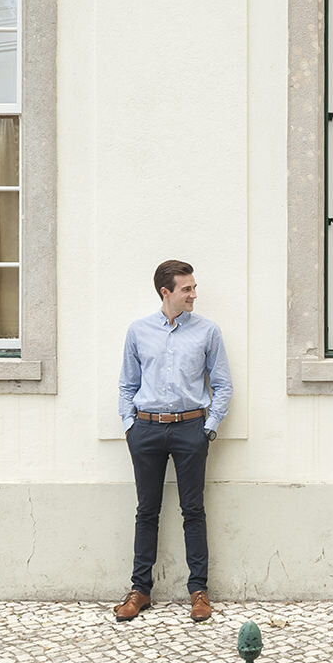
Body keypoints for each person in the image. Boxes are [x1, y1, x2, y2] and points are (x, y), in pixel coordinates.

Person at [113, 259, 233, 624]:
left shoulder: (207, 332)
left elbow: (223, 384)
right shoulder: (138, 331)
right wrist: (129, 426)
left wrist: (208, 427)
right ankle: (140, 590)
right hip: (146, 430)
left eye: (193, 287)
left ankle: (198, 591)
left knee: (192, 511)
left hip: (190, 430)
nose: (194, 294)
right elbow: (127, 384)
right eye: (187, 289)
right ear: (166, 292)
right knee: (146, 511)